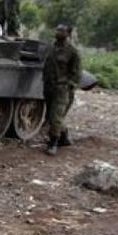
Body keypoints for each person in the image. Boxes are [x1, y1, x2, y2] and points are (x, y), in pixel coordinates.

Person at [43, 24, 81, 156]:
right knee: (49, 116)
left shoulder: (72, 51)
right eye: (57, 29)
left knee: (55, 117)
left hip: (62, 88)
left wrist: (69, 85)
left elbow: (76, 72)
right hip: (49, 86)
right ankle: (64, 137)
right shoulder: (51, 47)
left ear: (67, 34)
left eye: (61, 30)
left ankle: (53, 143)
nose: (57, 32)